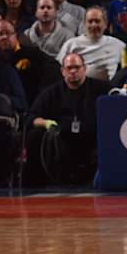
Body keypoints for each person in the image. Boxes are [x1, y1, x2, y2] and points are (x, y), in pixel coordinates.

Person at [27, 51, 101, 185]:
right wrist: (45, 123)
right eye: (69, 68)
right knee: (35, 135)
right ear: (62, 71)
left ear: (84, 69)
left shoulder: (100, 88)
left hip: (93, 136)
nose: (73, 71)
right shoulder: (51, 93)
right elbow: (32, 117)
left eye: (76, 67)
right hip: (61, 138)